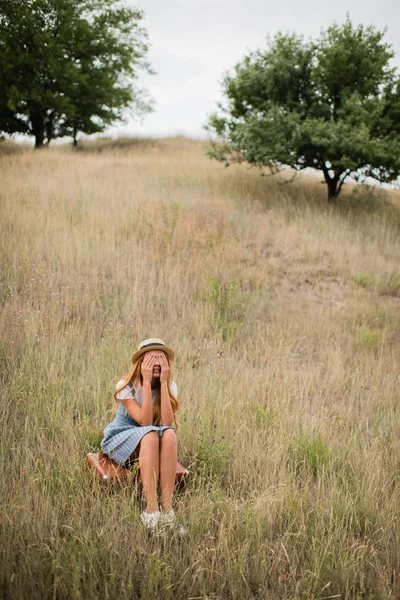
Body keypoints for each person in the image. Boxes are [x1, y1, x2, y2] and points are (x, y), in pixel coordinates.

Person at [101, 338, 185, 534]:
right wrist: (146, 382)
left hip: (151, 436)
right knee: (150, 435)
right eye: (151, 359)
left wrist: (163, 383)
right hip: (121, 436)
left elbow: (166, 423)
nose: (156, 363)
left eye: (161, 359)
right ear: (141, 363)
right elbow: (145, 421)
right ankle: (151, 511)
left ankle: (167, 512)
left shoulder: (171, 386)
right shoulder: (126, 385)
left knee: (169, 434)